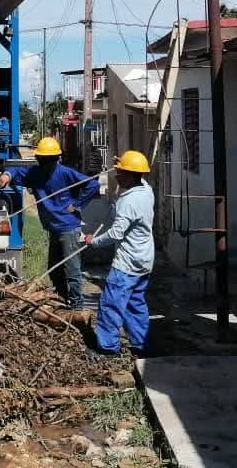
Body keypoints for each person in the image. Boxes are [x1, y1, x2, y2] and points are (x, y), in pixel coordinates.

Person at [0, 136, 100, 313]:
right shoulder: (36, 174)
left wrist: (77, 204)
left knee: (71, 270)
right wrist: (7, 175)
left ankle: (77, 307)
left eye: (48, 160)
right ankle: (62, 300)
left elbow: (92, 185)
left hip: (68, 229)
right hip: (53, 229)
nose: (44, 163)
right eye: (42, 159)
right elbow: (17, 171)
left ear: (55, 159)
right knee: (54, 269)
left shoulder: (65, 173)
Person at [83, 150, 154, 356]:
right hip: (145, 261)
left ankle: (107, 348)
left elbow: (116, 233)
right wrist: (122, 163)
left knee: (110, 304)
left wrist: (93, 241)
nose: (117, 176)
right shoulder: (147, 192)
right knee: (135, 303)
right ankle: (141, 344)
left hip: (127, 263)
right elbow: (142, 178)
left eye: (121, 173)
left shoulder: (128, 201)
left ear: (131, 175)